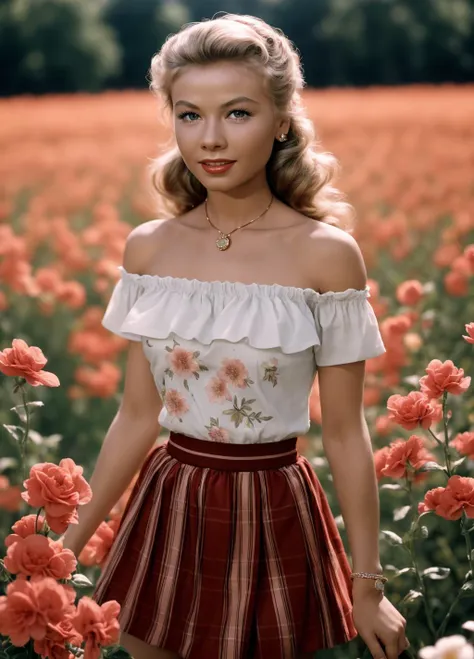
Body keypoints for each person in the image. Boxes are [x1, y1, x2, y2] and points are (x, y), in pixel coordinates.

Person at [62, 13, 409, 659]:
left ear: (281, 121)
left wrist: (368, 584)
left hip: (273, 503)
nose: (211, 138)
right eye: (189, 114)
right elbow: (136, 416)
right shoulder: (149, 248)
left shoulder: (327, 255)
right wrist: (67, 547)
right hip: (166, 502)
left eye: (238, 113)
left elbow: (343, 431)